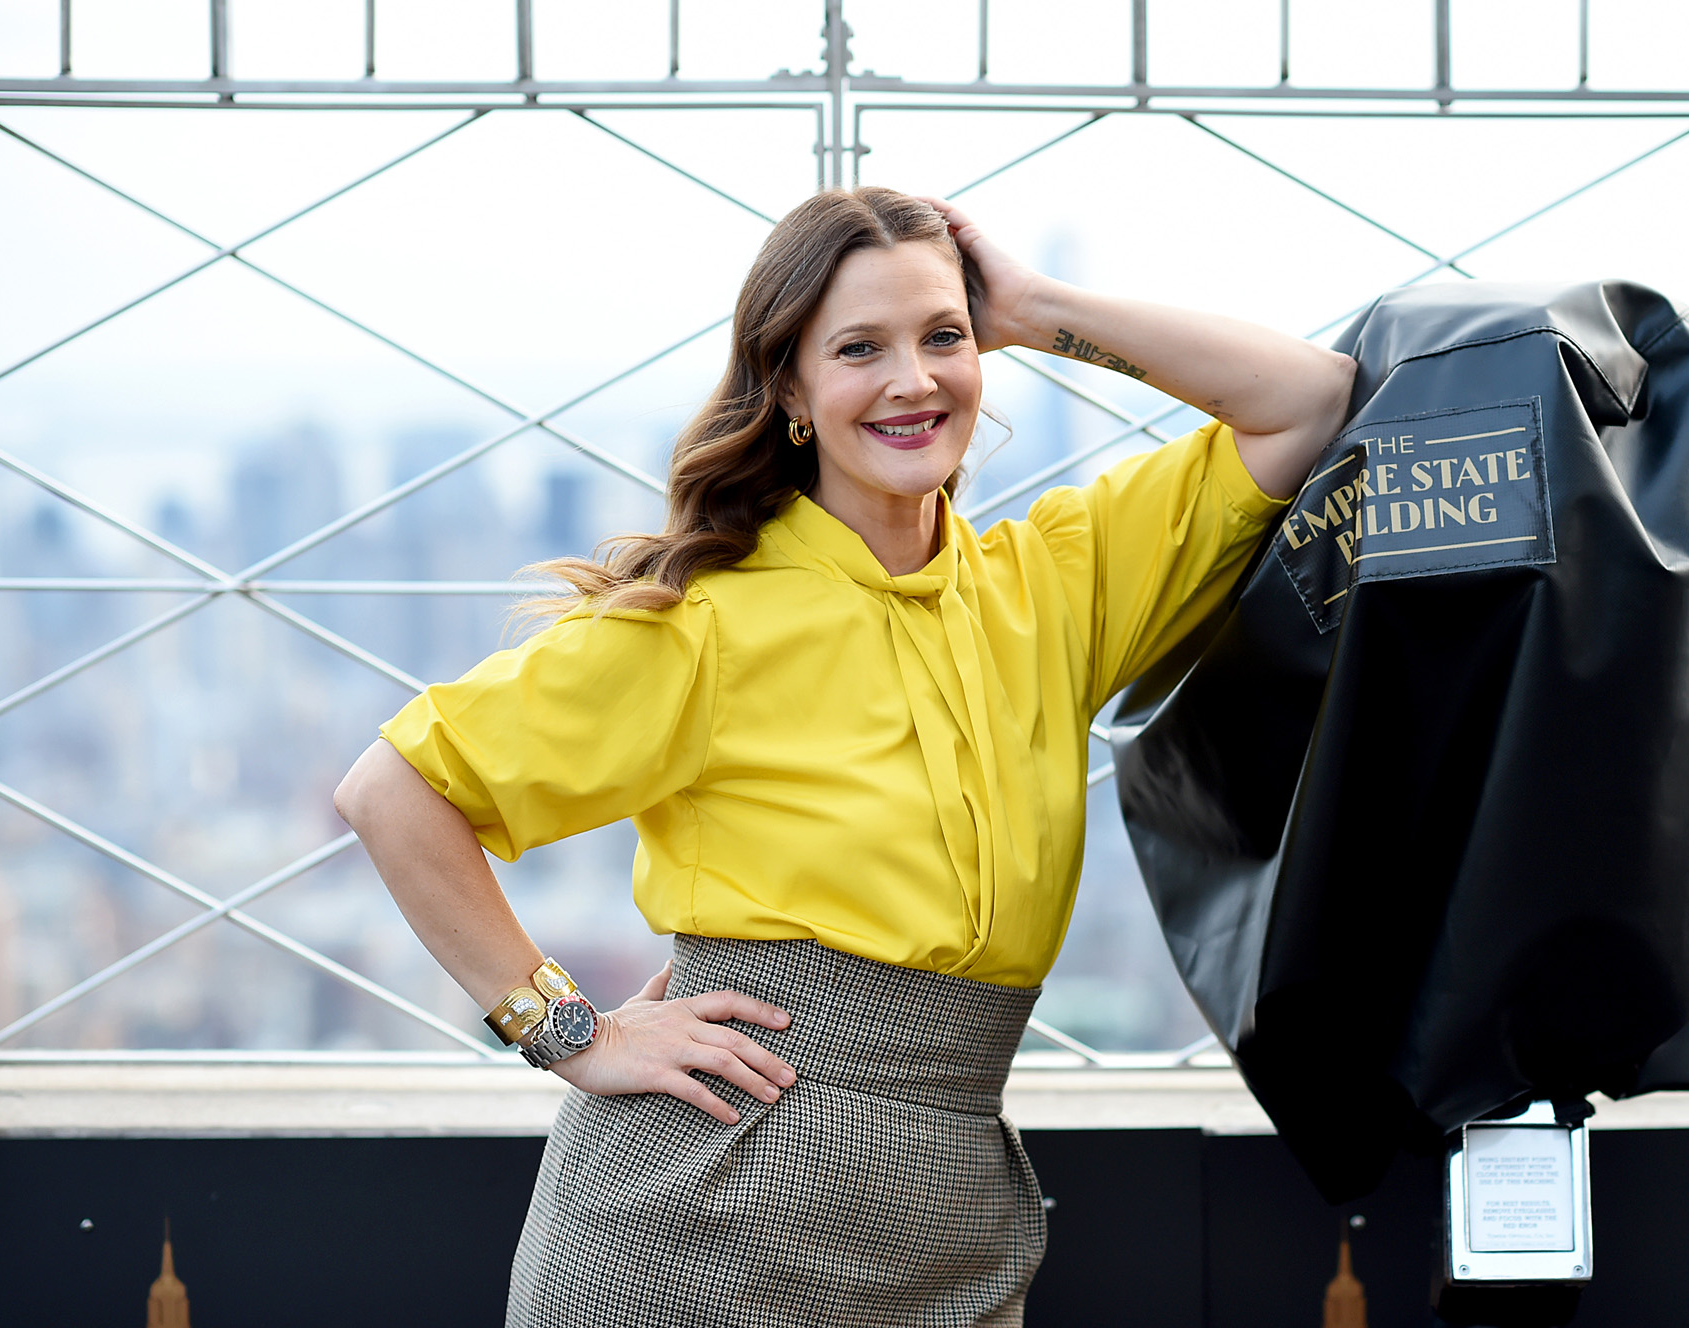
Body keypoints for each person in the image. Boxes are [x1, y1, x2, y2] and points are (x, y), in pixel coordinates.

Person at [333, 186, 1354, 1327]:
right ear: (792, 392)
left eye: (943, 336)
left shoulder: (1054, 584)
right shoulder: (706, 621)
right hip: (691, 1225)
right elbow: (395, 789)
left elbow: (1307, 398)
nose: (913, 379)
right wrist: (573, 1034)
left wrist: (1033, 304)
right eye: (860, 347)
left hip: (948, 1222)